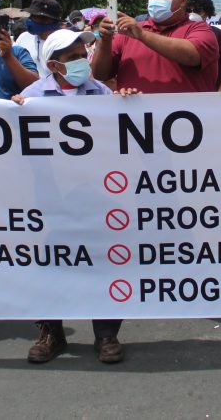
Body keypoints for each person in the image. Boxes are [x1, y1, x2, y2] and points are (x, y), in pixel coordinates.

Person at [12, 29, 135, 364]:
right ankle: (51, 332)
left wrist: (128, 102)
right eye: (73, 57)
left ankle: (106, 333)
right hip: (51, 196)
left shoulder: (101, 92)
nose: (83, 61)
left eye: (84, 54)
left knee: (103, 259)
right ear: (54, 65)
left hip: (97, 194)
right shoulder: (32, 96)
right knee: (51, 263)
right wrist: (13, 112)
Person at [92, 0, 219, 93]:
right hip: (136, 109)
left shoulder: (200, 30)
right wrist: (105, 41)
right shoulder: (127, 32)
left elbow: (191, 56)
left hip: (185, 109)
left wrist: (142, 35)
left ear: (183, 1)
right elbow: (100, 74)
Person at [187, 0, 221, 92]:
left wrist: (219, 94)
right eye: (188, 10)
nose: (192, 14)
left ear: (206, 12)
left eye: (197, 10)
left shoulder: (219, 35)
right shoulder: (177, 33)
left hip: (209, 95)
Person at [15, 0, 64, 79]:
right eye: (31, 16)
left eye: (35, 17)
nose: (30, 20)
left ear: (49, 20)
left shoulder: (64, 42)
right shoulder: (23, 37)